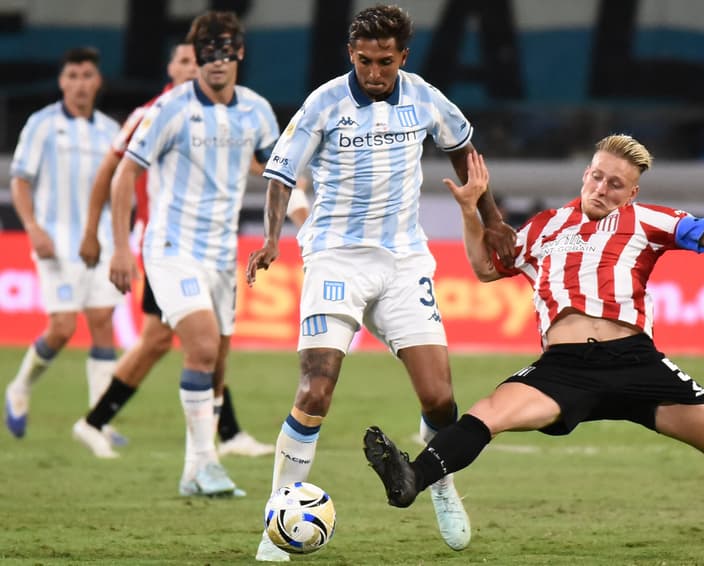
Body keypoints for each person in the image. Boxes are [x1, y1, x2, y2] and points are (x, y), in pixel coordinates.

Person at [364, 134, 704, 546]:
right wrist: (471, 211)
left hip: (636, 362)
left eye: (616, 185)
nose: (602, 190)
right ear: (586, 174)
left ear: (632, 192)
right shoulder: (544, 227)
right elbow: (487, 268)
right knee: (486, 415)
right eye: (598, 178)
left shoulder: (649, 221)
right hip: (565, 368)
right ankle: (411, 478)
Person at [245, 4, 514, 560]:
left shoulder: (423, 97)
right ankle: (277, 518)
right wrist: (272, 238)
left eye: (385, 62)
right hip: (335, 260)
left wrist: (493, 219)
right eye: (365, 61)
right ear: (351, 54)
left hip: (403, 262)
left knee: (439, 398)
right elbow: (280, 174)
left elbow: (464, 150)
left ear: (402, 57)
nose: (374, 72)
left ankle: (439, 484)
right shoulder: (322, 103)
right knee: (315, 389)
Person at [71, 41, 309, 460]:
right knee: (201, 340)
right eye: (183, 60)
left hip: (207, 248)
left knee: (168, 340)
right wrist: (98, 235)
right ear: (173, 66)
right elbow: (112, 173)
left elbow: (258, 164)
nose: (191, 67)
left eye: (194, 60)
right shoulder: (154, 115)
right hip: (167, 247)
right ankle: (214, 443)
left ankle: (97, 421)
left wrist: (294, 194)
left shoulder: (226, 119)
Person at [107, 11, 281, 496]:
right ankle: (207, 464)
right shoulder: (171, 109)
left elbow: (279, 173)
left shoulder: (257, 110)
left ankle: (193, 471)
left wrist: (282, 227)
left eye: (226, 50)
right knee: (202, 345)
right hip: (170, 249)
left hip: (222, 254)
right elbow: (124, 174)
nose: (217, 61)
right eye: (208, 53)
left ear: (240, 54)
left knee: (218, 362)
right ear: (198, 57)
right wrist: (122, 247)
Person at [4, 47, 123, 441]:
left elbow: (118, 188)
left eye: (86, 75)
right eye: (72, 76)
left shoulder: (110, 130)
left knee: (104, 324)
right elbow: (20, 179)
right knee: (63, 327)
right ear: (62, 82)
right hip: (56, 240)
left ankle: (98, 422)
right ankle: (20, 387)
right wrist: (33, 228)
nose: (79, 84)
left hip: (100, 241)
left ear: (98, 81)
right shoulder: (42, 124)